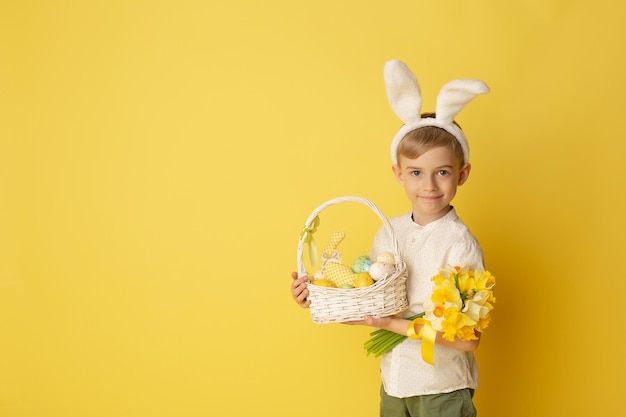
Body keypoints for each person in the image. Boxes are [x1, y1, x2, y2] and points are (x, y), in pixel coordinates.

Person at [290, 59, 490, 417]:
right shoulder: (389, 231)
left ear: (463, 174)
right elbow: (369, 298)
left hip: (440, 387)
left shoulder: (460, 245)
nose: (428, 185)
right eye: (416, 172)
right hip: (394, 382)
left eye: (442, 172)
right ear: (399, 174)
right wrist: (318, 296)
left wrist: (392, 325)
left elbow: (467, 339)